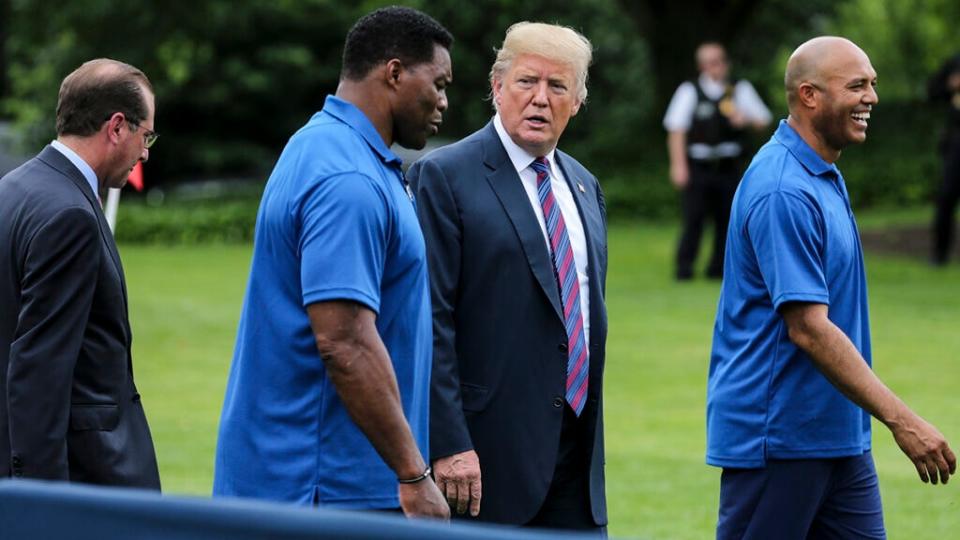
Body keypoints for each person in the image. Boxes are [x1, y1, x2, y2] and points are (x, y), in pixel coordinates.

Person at [707, 36, 956, 539]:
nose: (872, 98)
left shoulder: (821, 173)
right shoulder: (783, 189)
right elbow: (808, 329)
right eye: (857, 85)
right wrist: (903, 421)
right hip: (779, 438)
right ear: (809, 96)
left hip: (838, 435)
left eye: (873, 84)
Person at [212, 7, 451, 520]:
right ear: (393, 73)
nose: (444, 103)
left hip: (320, 480)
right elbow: (343, 342)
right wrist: (413, 474)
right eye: (438, 84)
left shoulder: (323, 145)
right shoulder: (348, 180)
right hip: (325, 487)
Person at [408, 22, 607, 531]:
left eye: (557, 86)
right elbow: (431, 320)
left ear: (578, 101)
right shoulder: (445, 176)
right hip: (485, 458)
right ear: (497, 88)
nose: (540, 99)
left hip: (578, 461)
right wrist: (449, 443)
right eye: (526, 82)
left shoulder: (584, 186)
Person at [0, 59, 161, 488]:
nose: (145, 152)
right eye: (146, 135)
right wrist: (45, 506)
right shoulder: (70, 215)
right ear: (116, 127)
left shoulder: (11, 189)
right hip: (86, 479)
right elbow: (39, 372)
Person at [663, 42, 771, 280]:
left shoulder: (738, 89)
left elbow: (763, 119)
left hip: (728, 164)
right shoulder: (690, 90)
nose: (718, 67)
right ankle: (685, 268)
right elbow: (676, 130)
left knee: (728, 218)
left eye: (721, 61)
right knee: (694, 218)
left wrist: (745, 119)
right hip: (699, 164)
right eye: (711, 62)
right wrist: (678, 165)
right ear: (702, 66)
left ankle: (719, 268)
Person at [929, 52, 960, 266]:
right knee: (946, 197)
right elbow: (931, 91)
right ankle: (940, 256)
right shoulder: (955, 63)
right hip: (957, 142)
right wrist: (951, 85)